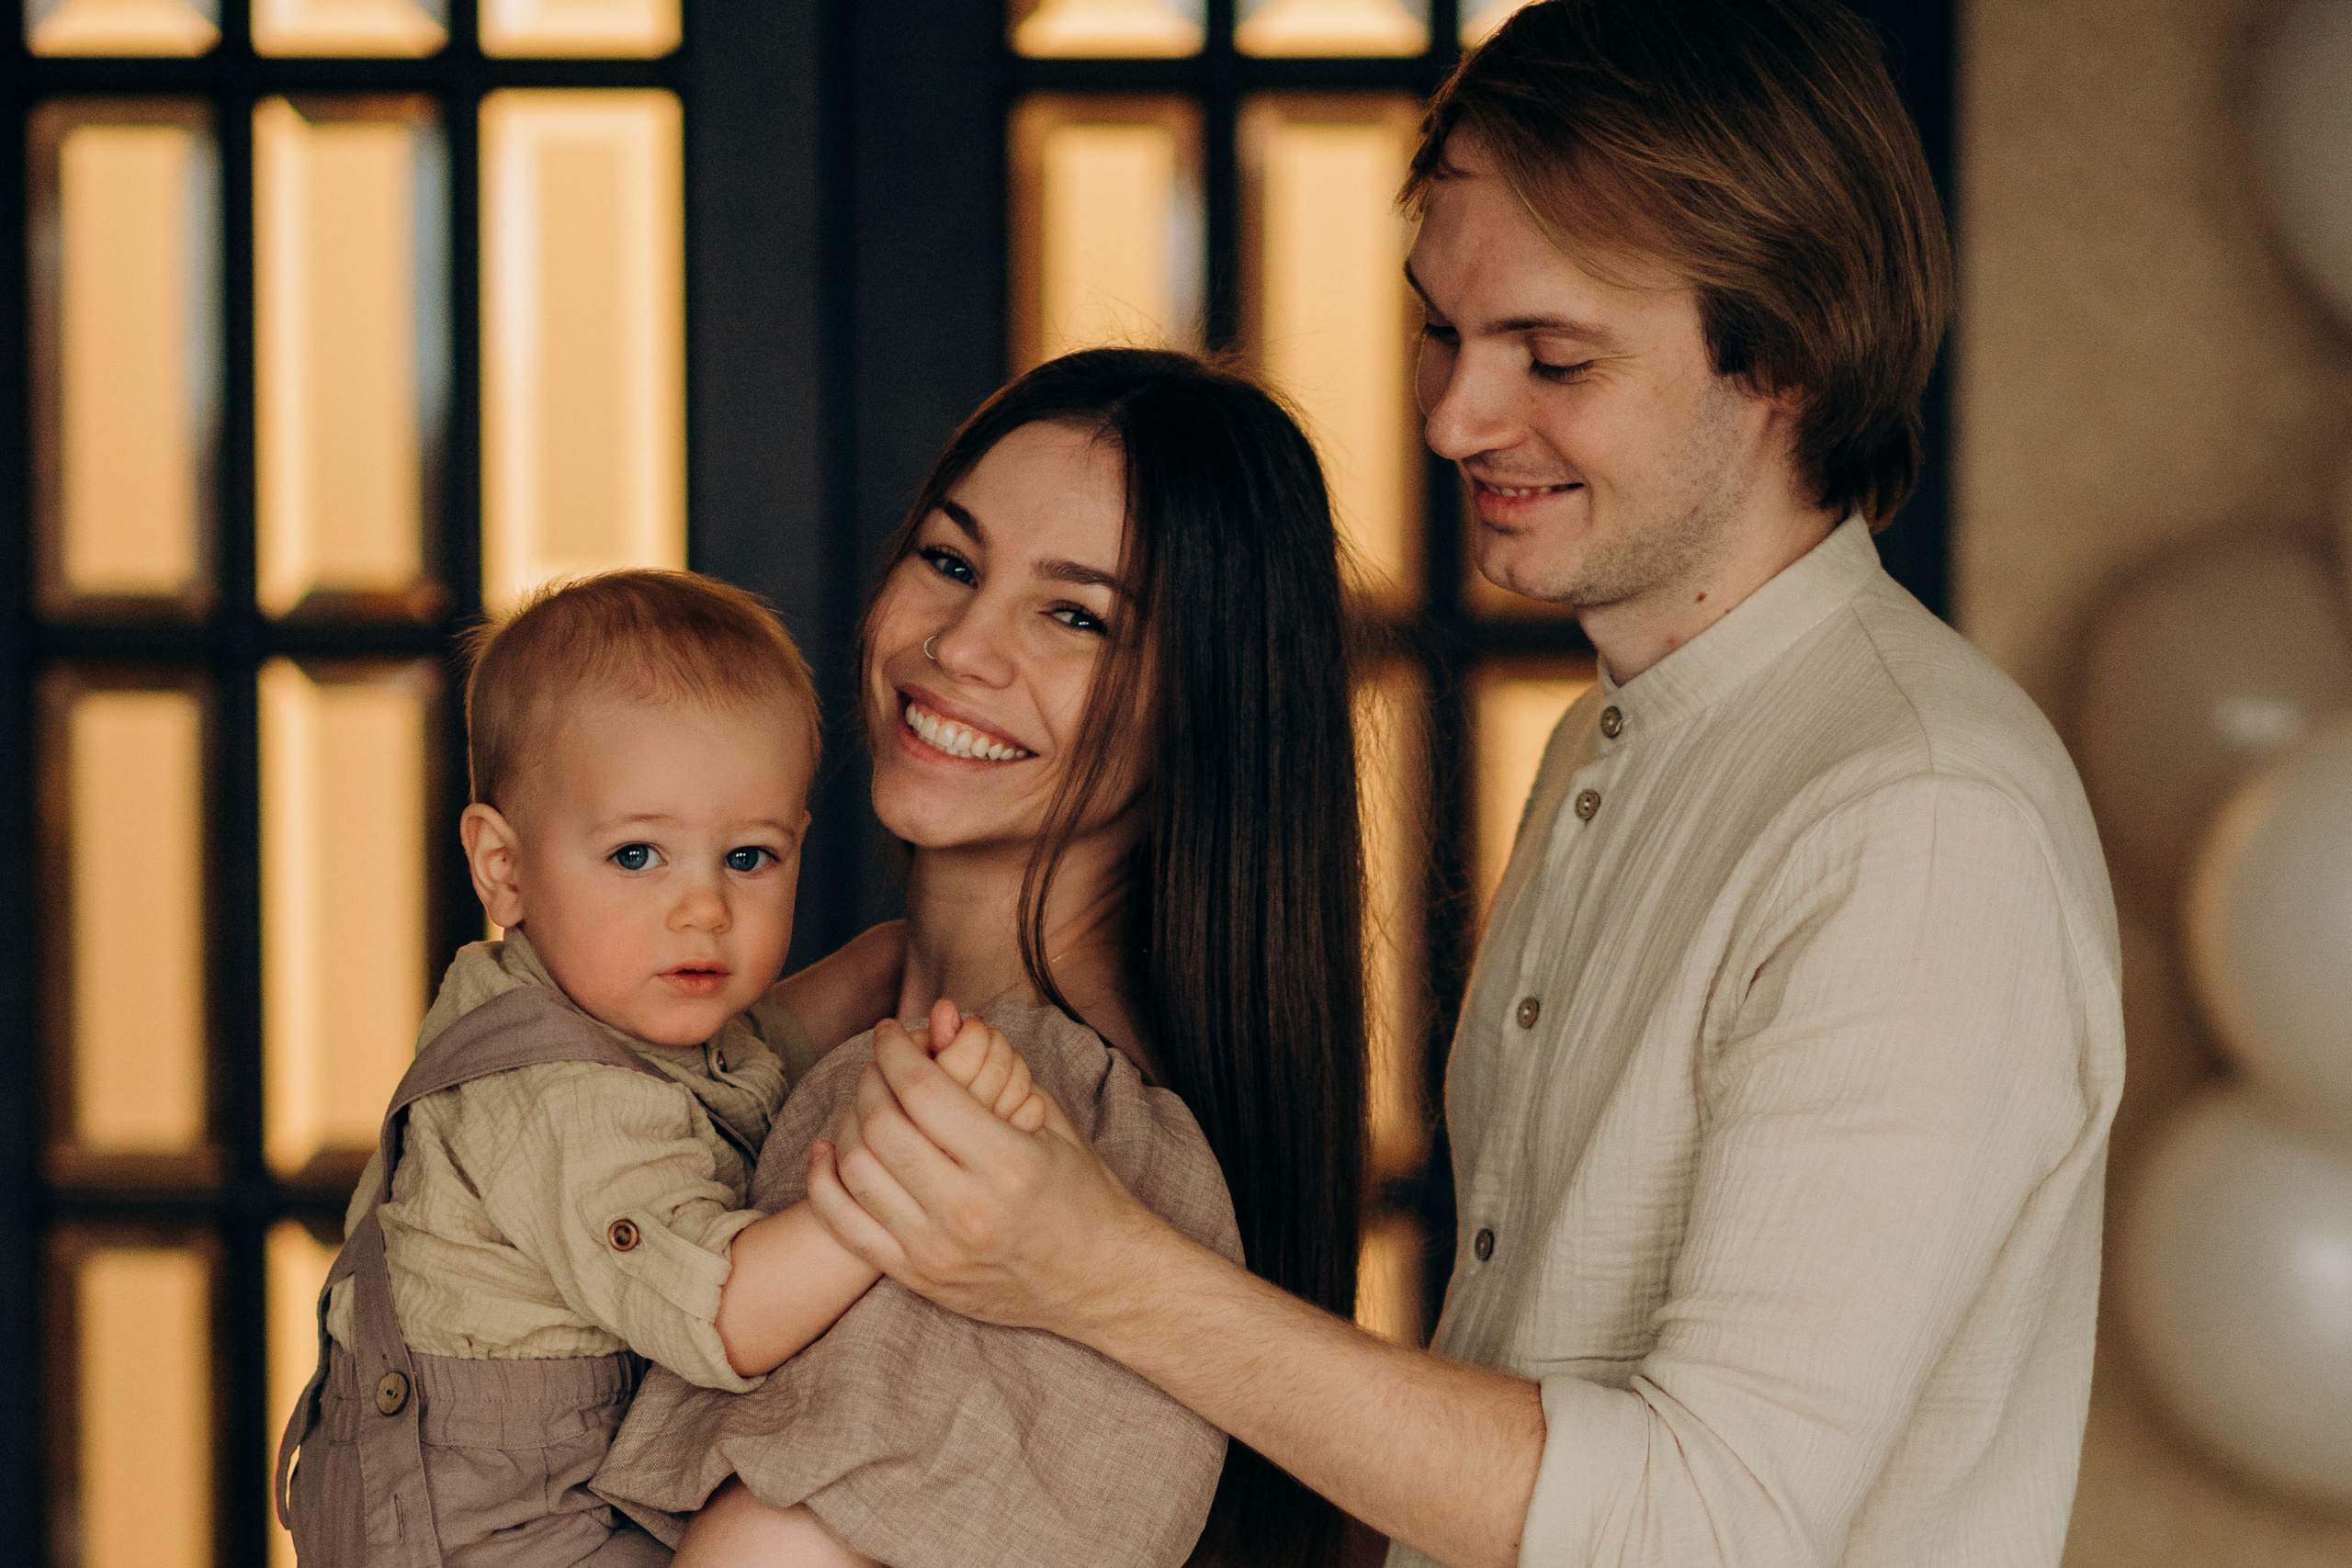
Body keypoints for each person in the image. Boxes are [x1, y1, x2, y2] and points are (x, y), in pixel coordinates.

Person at [800, 4, 2127, 1567]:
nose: (1451, 418)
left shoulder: (1917, 822)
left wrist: (1103, 1271)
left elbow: (1708, 1523)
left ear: (1780, 360)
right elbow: (1508, 1391)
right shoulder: (1615, 742)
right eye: (1441, 328)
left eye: (1552, 357)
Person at [591, 348, 1370, 1568]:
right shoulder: (855, 1032)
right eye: (950, 562)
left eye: (1075, 614)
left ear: (1205, 705)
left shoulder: (1015, 1132)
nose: (960, 644)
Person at [273, 570, 1046, 1565]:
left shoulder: (586, 993)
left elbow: (761, 1050)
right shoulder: (561, 1103)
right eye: (638, 857)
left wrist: (927, 951)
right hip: (513, 1540)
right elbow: (727, 1315)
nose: (704, 910)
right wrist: (894, 1189)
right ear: (502, 867)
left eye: (749, 859)